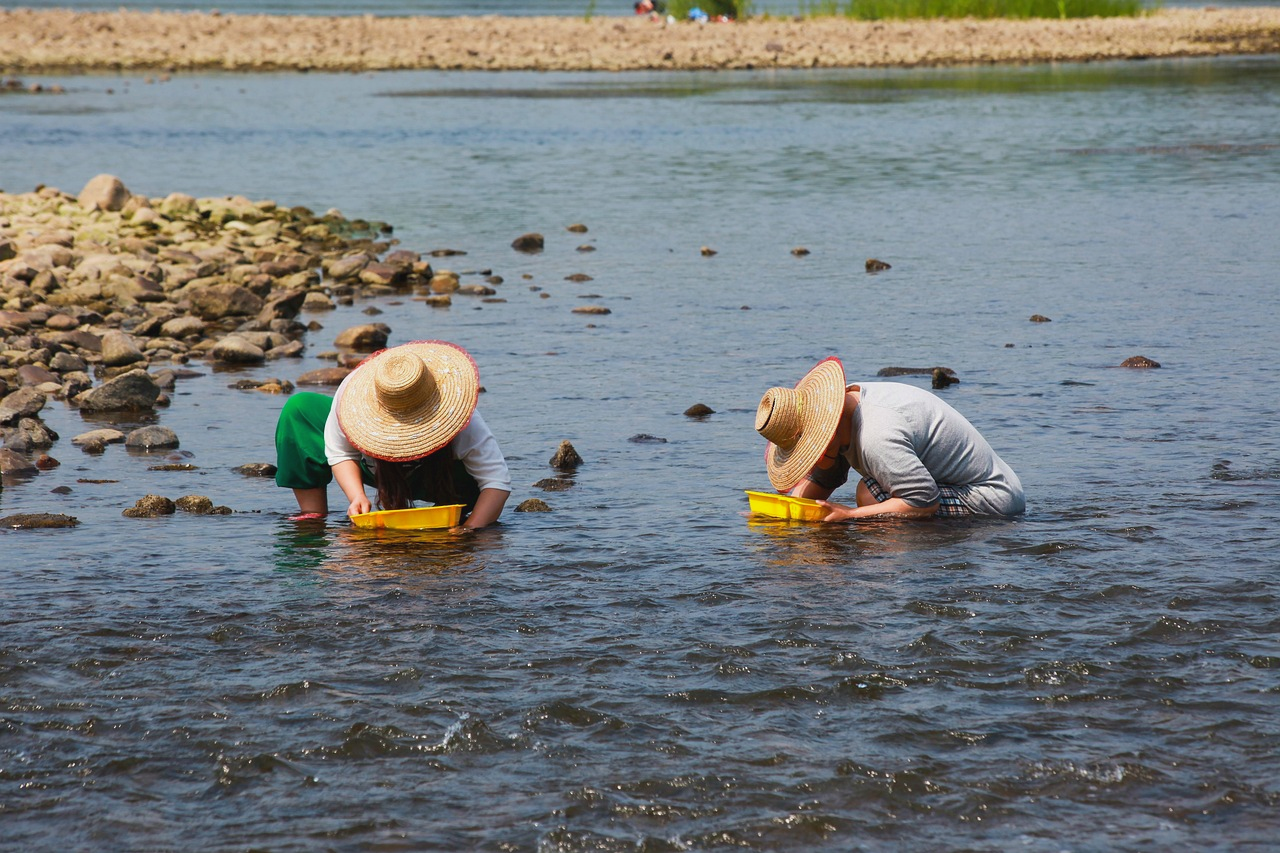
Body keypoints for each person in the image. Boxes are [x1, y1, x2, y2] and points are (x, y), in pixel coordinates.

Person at [274, 340, 511, 529]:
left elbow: (496, 483)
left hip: (441, 476)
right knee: (300, 408)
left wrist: (469, 530)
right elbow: (341, 453)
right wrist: (356, 497)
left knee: (475, 493)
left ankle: (451, 515)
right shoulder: (350, 400)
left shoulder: (459, 416)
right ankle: (313, 517)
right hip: (376, 467)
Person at [755, 357, 1024, 521]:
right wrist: (781, 516)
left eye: (809, 453)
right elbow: (823, 480)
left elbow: (923, 501)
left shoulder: (876, 436)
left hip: (992, 499)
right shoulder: (842, 408)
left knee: (869, 495)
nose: (810, 462)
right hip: (950, 483)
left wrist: (849, 515)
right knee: (868, 495)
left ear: (827, 434)